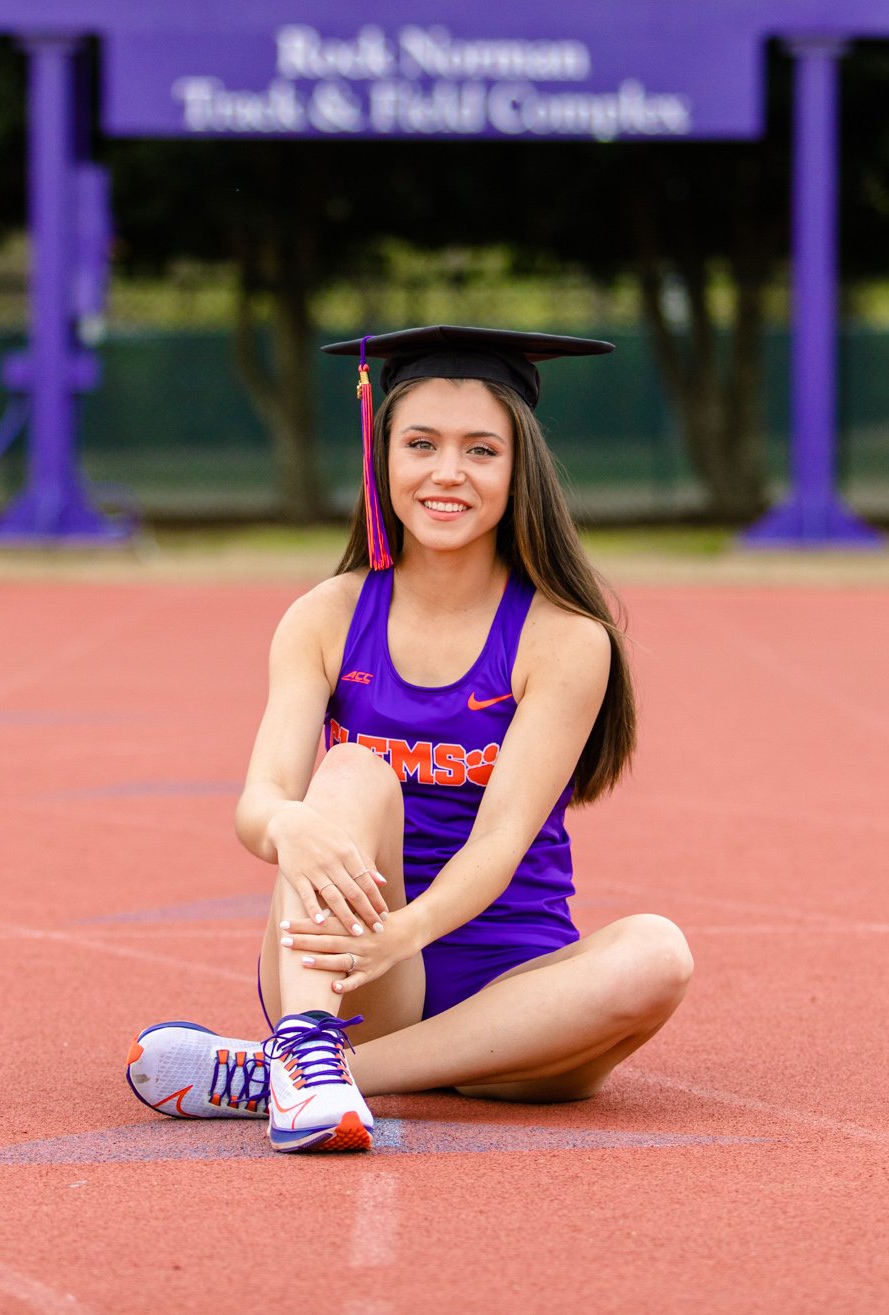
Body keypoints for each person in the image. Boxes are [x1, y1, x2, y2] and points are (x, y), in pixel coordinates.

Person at [123, 326, 694, 1153]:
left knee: (658, 954)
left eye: (480, 449)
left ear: (518, 468)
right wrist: (290, 828)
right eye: (420, 443)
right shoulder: (326, 615)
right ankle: (311, 1045)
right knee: (351, 770)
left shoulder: (565, 637)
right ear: (382, 456)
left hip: (516, 1000)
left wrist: (415, 926)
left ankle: (296, 1071)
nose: (447, 473)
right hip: (353, 967)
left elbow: (500, 842)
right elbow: (260, 802)